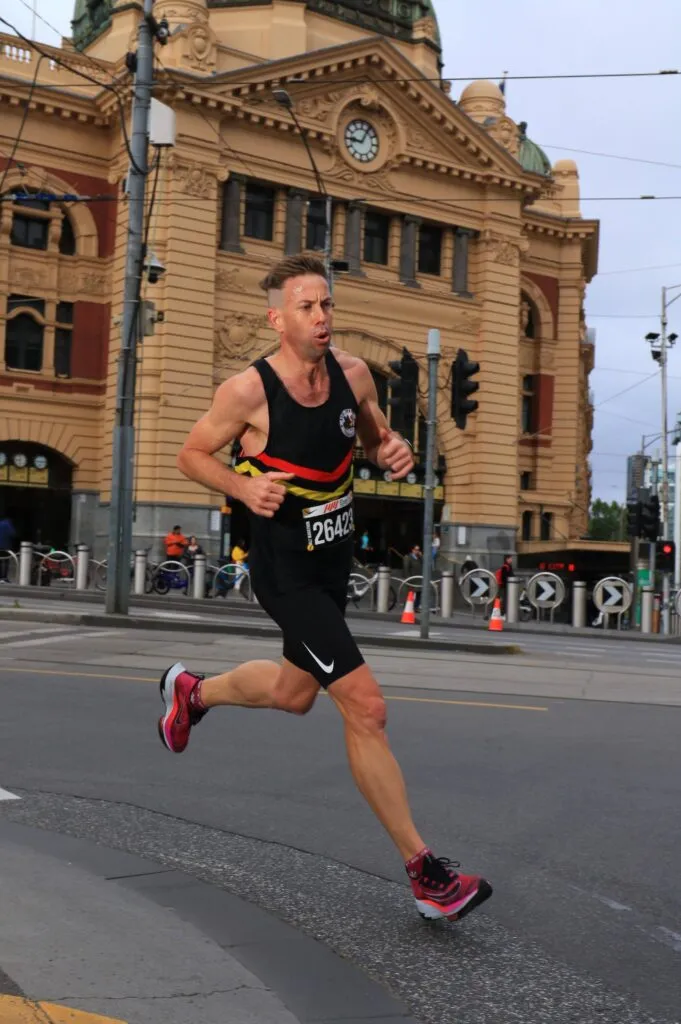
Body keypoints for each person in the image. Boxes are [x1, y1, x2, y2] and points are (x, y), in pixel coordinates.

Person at [157, 253, 491, 924]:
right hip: (284, 568)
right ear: (276, 317)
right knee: (365, 707)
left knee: (294, 693)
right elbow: (191, 455)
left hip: (332, 558)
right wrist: (242, 485)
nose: (320, 317)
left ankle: (193, 692)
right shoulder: (246, 391)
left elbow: (372, 437)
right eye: (306, 307)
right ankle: (424, 873)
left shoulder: (353, 375)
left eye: (326, 305)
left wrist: (389, 450)